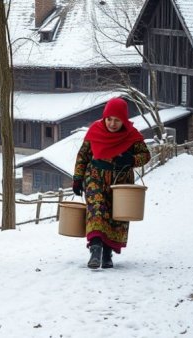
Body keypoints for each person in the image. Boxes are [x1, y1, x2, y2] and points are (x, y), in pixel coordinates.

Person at [72, 97, 150, 269]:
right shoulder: (94, 131)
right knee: (97, 209)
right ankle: (95, 250)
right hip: (95, 178)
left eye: (117, 120)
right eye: (109, 119)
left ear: (123, 120)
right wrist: (78, 178)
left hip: (120, 182)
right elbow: (83, 156)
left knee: (116, 216)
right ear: (104, 117)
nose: (112, 123)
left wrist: (130, 160)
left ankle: (107, 254)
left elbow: (145, 155)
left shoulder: (132, 136)